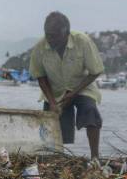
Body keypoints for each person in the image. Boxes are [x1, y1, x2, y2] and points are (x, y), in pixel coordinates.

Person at [29, 11, 104, 161]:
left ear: (66, 33)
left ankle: (95, 157)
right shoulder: (40, 47)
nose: (50, 39)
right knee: (53, 124)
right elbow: (41, 77)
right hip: (54, 91)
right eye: (48, 35)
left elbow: (96, 71)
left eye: (55, 36)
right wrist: (52, 102)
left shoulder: (82, 41)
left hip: (82, 87)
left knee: (90, 111)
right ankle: (57, 159)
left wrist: (74, 93)